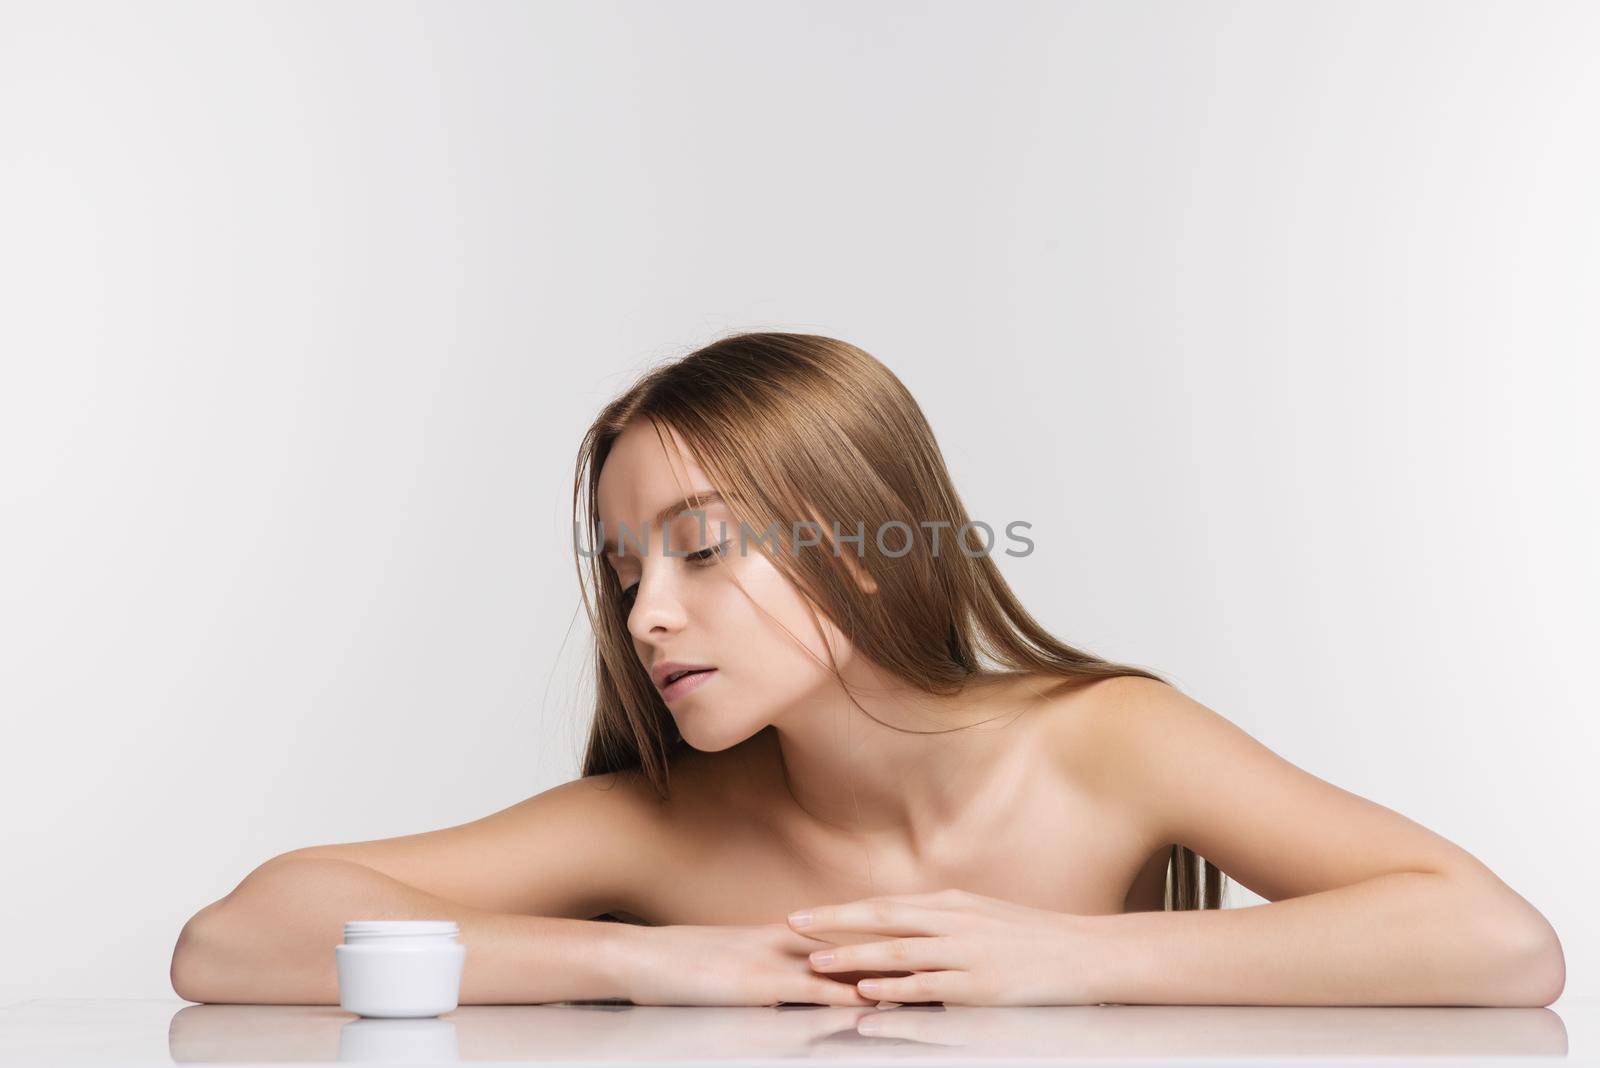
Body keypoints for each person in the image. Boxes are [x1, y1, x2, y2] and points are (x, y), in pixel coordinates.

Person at [170, 332, 1564, 1009]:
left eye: (703, 550)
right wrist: (658, 965)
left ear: (871, 552)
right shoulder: (664, 828)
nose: (648, 614)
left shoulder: (1105, 742)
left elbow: (1500, 946)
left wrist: (1071, 958)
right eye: (623, 566)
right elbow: (233, 944)